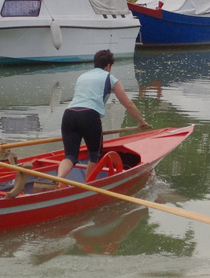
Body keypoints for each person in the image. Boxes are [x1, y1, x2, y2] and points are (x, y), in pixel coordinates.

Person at [58, 49, 150, 181]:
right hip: (89, 116)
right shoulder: (110, 78)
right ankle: (87, 185)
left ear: (95, 64)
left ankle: (58, 179)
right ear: (108, 66)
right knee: (95, 155)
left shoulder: (82, 76)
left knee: (70, 156)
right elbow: (128, 104)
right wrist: (141, 121)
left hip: (69, 115)